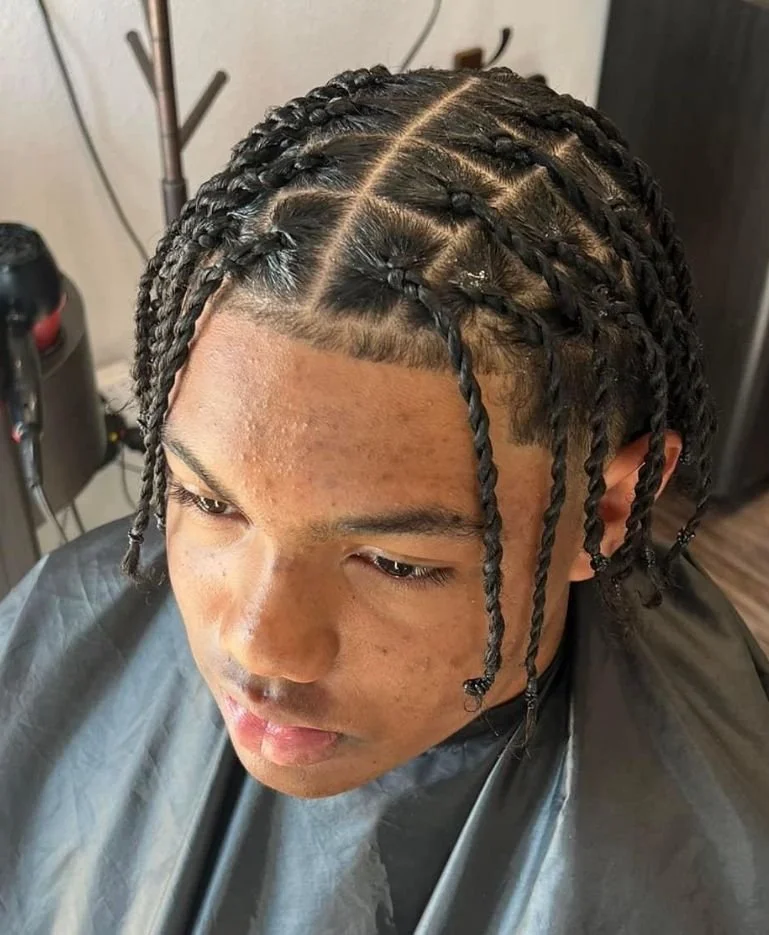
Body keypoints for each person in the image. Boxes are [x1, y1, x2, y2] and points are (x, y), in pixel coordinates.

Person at [1, 66, 768, 935]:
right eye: (206, 499)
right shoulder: (49, 638)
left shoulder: (711, 864)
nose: (256, 645)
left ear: (608, 509)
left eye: (395, 562)